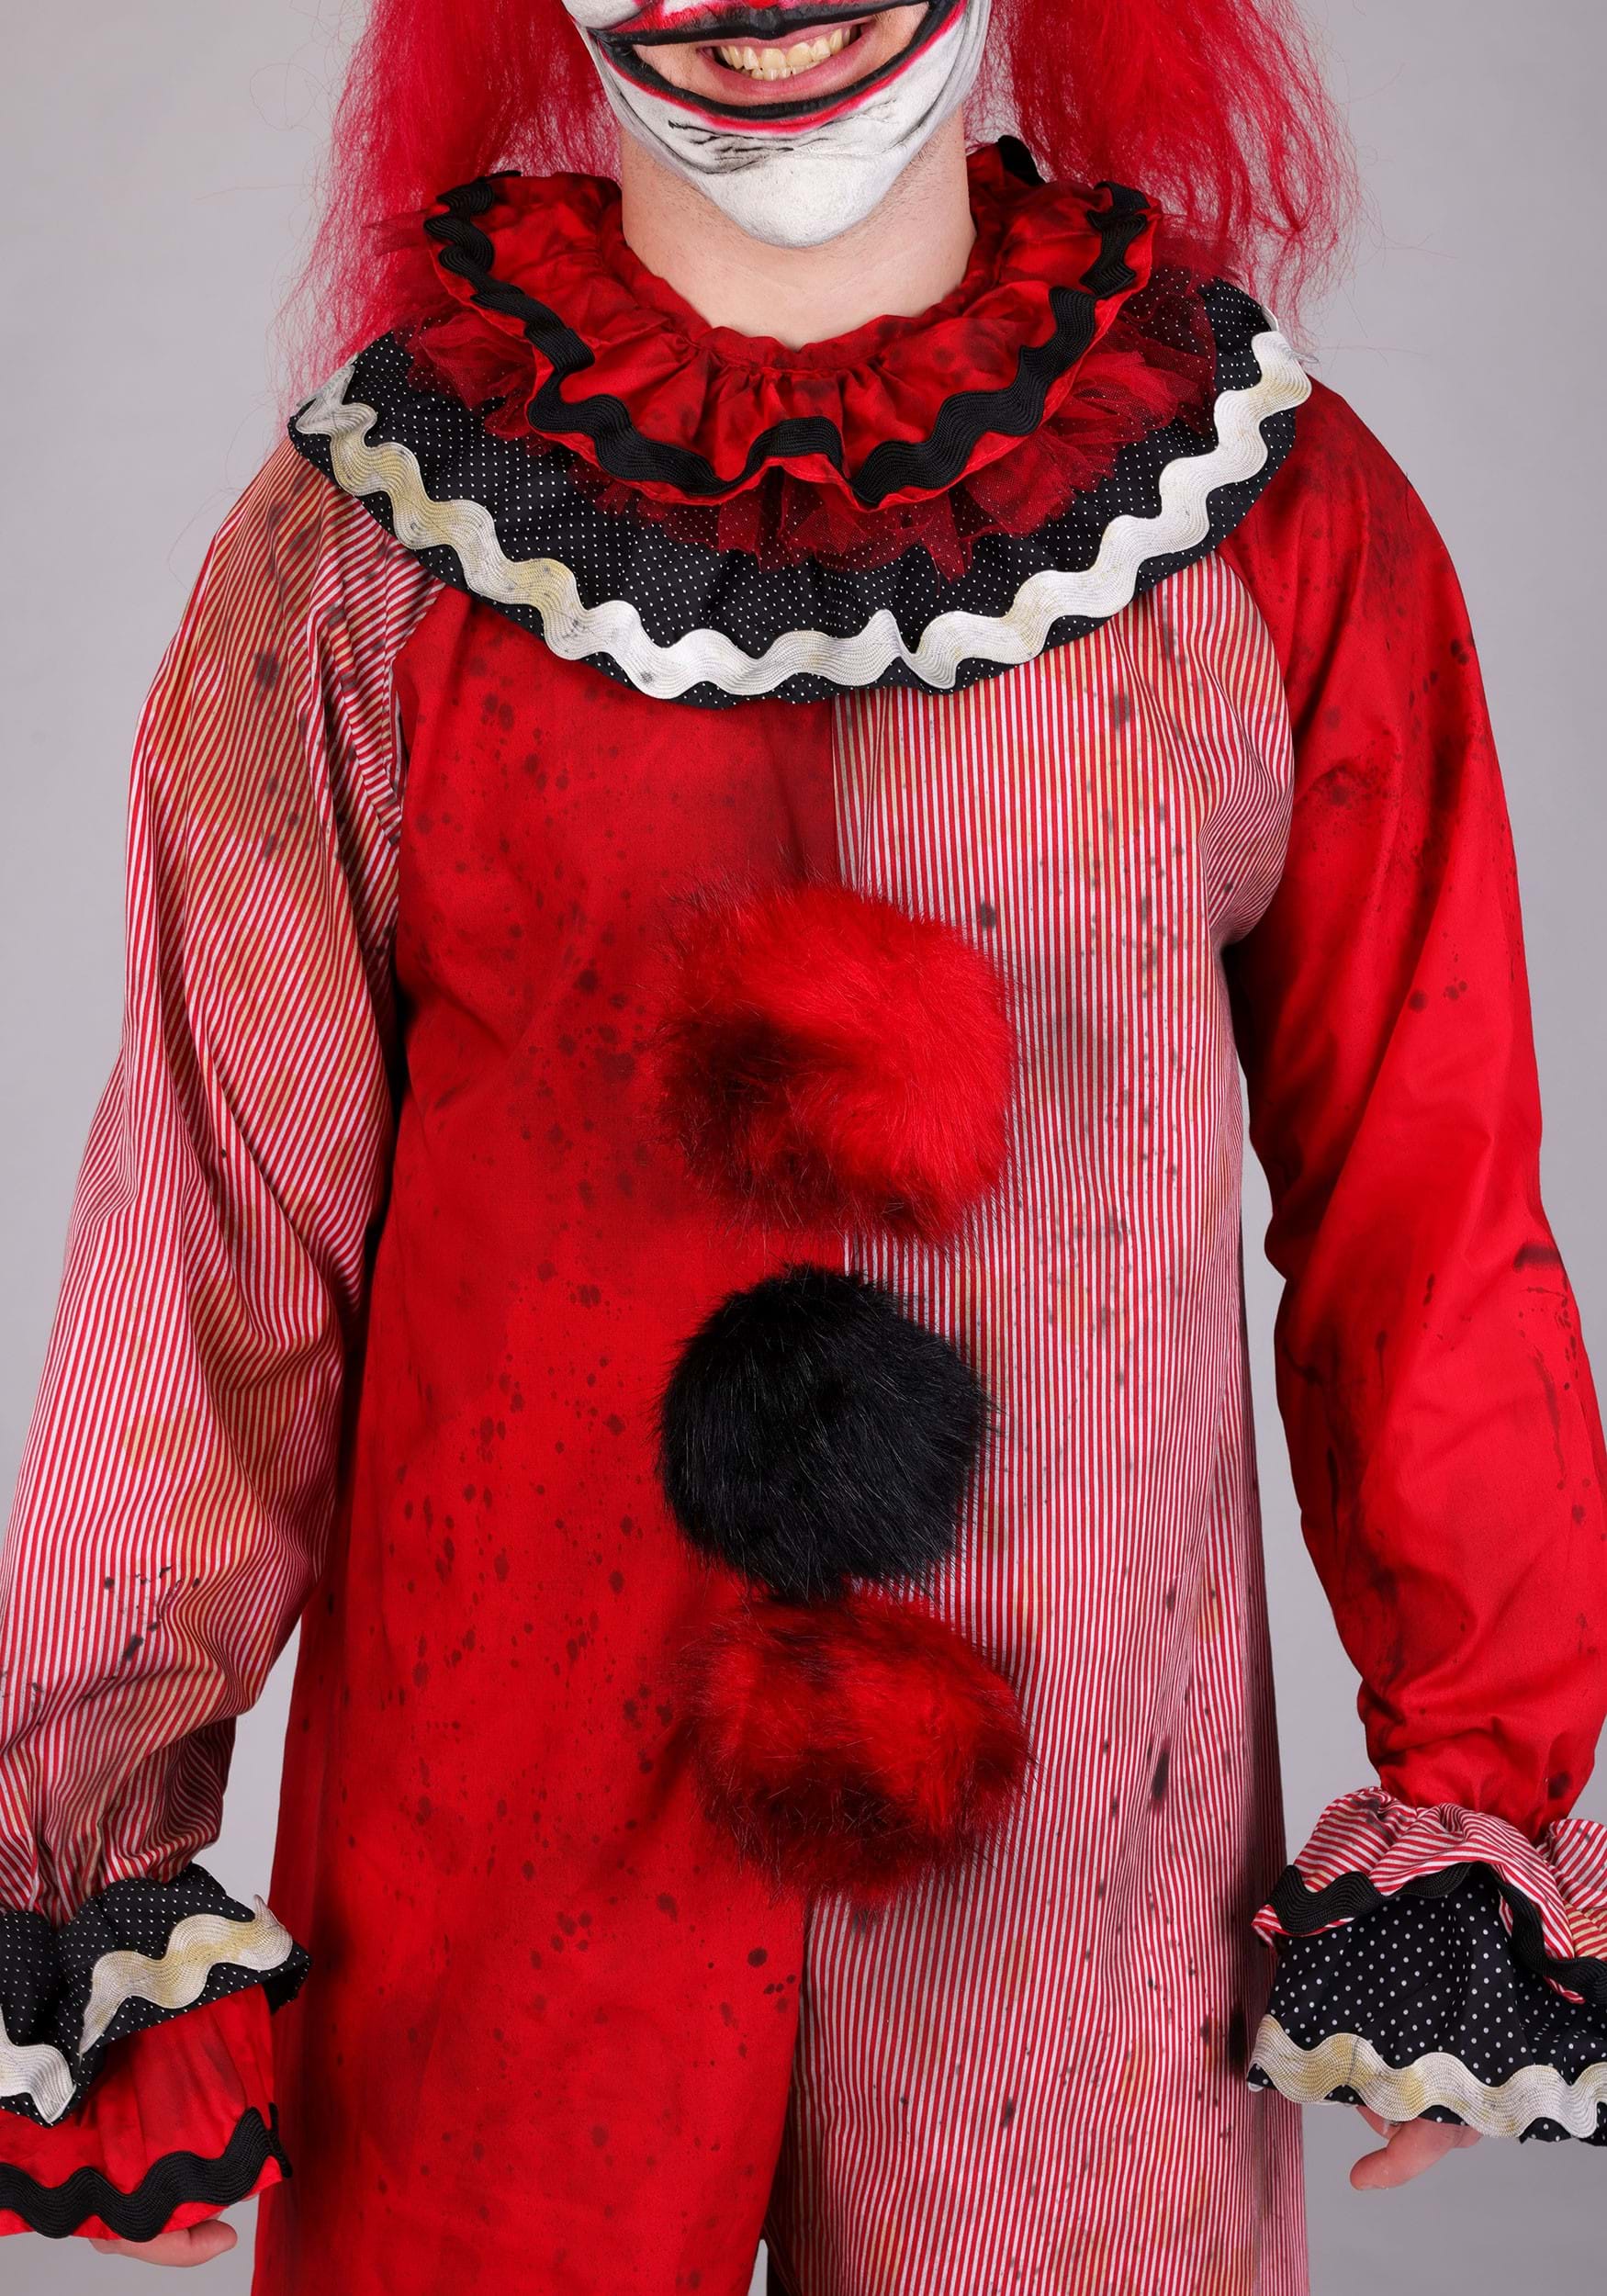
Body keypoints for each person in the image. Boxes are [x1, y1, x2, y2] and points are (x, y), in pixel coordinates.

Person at [2, 1, 1603, 2288]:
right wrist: (79, 1844)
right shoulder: (362, 554)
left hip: (1081, 1875)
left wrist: (1473, 1792)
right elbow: (208, 1241)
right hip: (501, 1846)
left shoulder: (1268, 520)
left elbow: (1420, 1201)